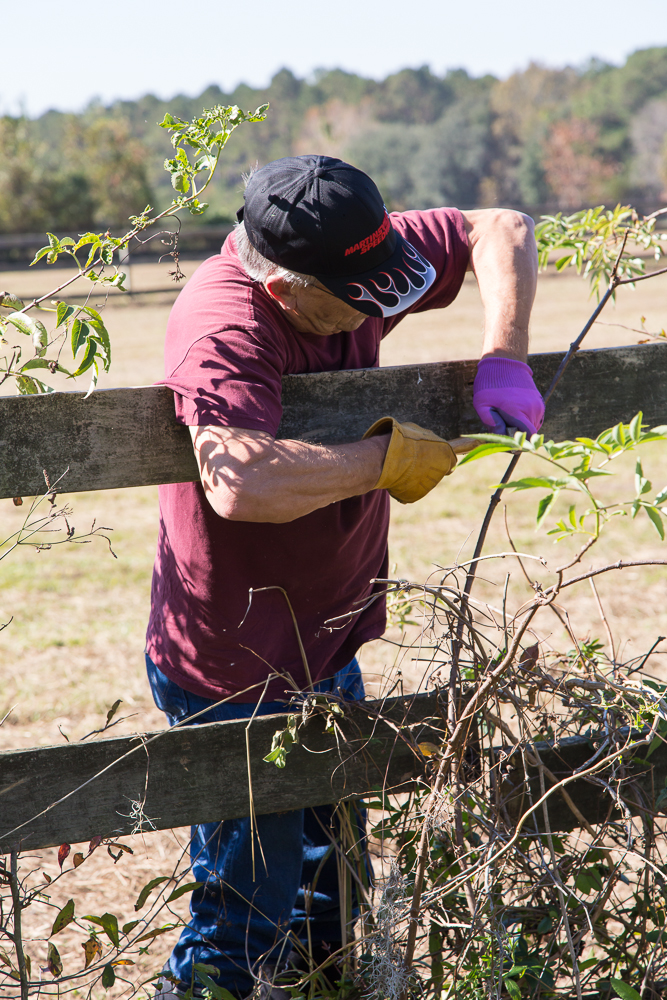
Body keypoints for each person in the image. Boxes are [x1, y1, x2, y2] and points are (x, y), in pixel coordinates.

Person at [148, 155, 544, 998]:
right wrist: (382, 458)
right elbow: (241, 483)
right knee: (243, 910)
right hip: (236, 665)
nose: (381, 304)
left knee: (332, 897)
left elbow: (499, 226)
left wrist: (502, 356)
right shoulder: (225, 326)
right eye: (357, 295)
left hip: (327, 639)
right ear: (287, 287)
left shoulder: (351, 259)